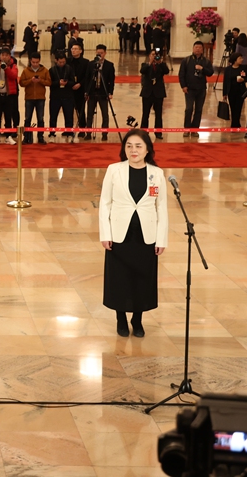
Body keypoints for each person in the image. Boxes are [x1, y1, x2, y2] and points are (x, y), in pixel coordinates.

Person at [98, 129, 168, 338]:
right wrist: (105, 233)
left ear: (147, 150)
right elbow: (104, 203)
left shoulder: (157, 174)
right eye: (129, 146)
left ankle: (137, 320)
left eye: (138, 146)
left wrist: (161, 238)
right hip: (119, 235)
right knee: (119, 278)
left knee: (142, 278)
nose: (133, 150)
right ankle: (120, 318)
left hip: (146, 235)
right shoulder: (114, 170)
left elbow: (161, 207)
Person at [178, 41, 214, 133]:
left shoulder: (206, 61)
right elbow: (181, 74)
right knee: (189, 109)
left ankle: (194, 129)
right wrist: (183, 86)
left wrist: (202, 68)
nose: (197, 49)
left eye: (199, 48)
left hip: (201, 89)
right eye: (196, 47)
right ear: (193, 49)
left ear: (202, 50)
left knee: (198, 109)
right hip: (189, 89)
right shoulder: (186, 60)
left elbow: (210, 73)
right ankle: (187, 129)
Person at [85, 45, 115, 141]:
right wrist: (86, 92)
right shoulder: (90, 64)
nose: (100, 55)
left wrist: (110, 92)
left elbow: (111, 81)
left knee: (105, 114)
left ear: (105, 53)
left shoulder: (109, 65)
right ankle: (88, 133)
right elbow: (87, 79)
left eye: (101, 53)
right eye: (98, 53)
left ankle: (104, 133)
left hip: (103, 92)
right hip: (92, 92)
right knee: (89, 114)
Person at [19, 53, 50, 144]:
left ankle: (40, 136)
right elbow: (21, 83)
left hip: (40, 98)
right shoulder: (25, 71)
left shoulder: (44, 71)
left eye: (37, 62)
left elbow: (49, 82)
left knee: (40, 118)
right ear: (30, 61)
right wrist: (30, 81)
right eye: (33, 62)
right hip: (29, 98)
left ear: (39, 61)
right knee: (27, 118)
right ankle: (26, 137)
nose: (35, 64)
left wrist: (41, 81)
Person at [139, 50, 169, 136]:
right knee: (145, 114)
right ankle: (144, 132)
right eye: (152, 55)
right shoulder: (145, 65)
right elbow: (142, 71)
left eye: (156, 55)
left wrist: (160, 62)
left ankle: (158, 132)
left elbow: (166, 71)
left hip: (158, 92)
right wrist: (150, 63)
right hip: (147, 92)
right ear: (149, 56)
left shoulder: (161, 65)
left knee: (158, 114)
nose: (154, 56)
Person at [48, 51, 76, 140]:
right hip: (55, 96)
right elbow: (49, 83)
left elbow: (73, 82)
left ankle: (69, 132)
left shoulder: (69, 69)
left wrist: (67, 83)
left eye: (63, 62)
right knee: (53, 116)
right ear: (56, 60)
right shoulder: (51, 70)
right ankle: (52, 132)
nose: (62, 63)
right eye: (60, 62)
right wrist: (58, 83)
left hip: (67, 96)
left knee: (69, 115)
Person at [222, 53, 247, 129]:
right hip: (231, 91)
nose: (242, 60)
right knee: (232, 108)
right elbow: (225, 81)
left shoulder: (243, 68)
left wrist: (243, 80)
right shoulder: (228, 69)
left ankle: (235, 124)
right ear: (235, 60)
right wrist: (224, 93)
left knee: (239, 108)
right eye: (240, 58)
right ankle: (234, 123)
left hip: (240, 91)